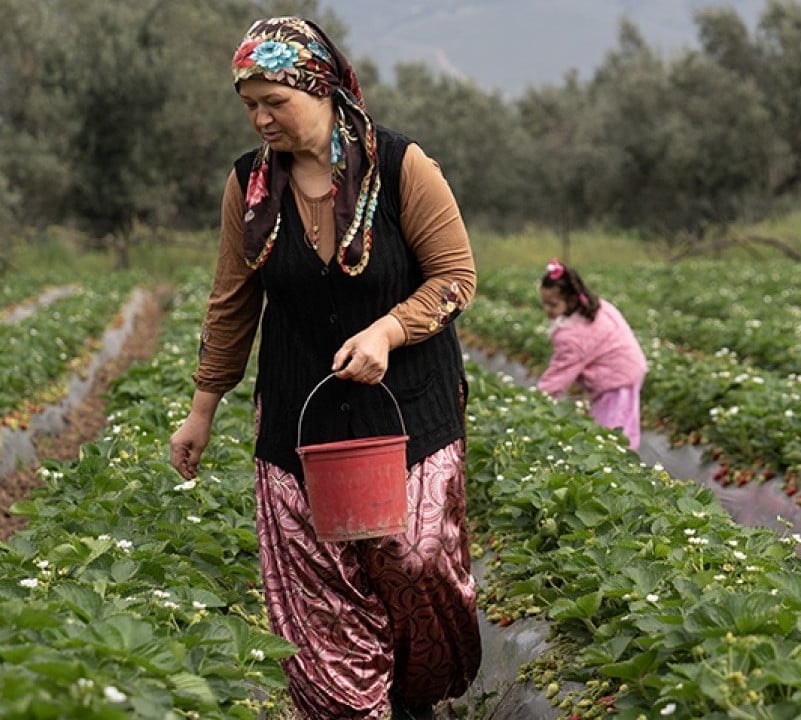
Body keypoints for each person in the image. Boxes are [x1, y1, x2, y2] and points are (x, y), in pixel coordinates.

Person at [167, 16, 480, 720]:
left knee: (415, 560)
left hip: (410, 407)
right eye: (249, 104)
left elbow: (456, 277)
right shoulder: (248, 186)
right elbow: (231, 303)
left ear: (322, 89)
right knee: (321, 590)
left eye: (274, 100)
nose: (260, 117)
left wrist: (391, 329)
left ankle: (413, 694)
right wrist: (202, 409)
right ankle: (350, 709)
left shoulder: (400, 166)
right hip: (298, 416)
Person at [536, 258, 648, 451]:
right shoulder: (593, 307)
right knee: (615, 425)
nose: (548, 311)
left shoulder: (573, 335)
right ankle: (619, 462)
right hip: (628, 369)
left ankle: (619, 464)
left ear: (570, 300)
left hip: (617, 379)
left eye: (553, 305)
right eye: (544, 304)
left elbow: (559, 374)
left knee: (612, 433)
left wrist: (537, 402)